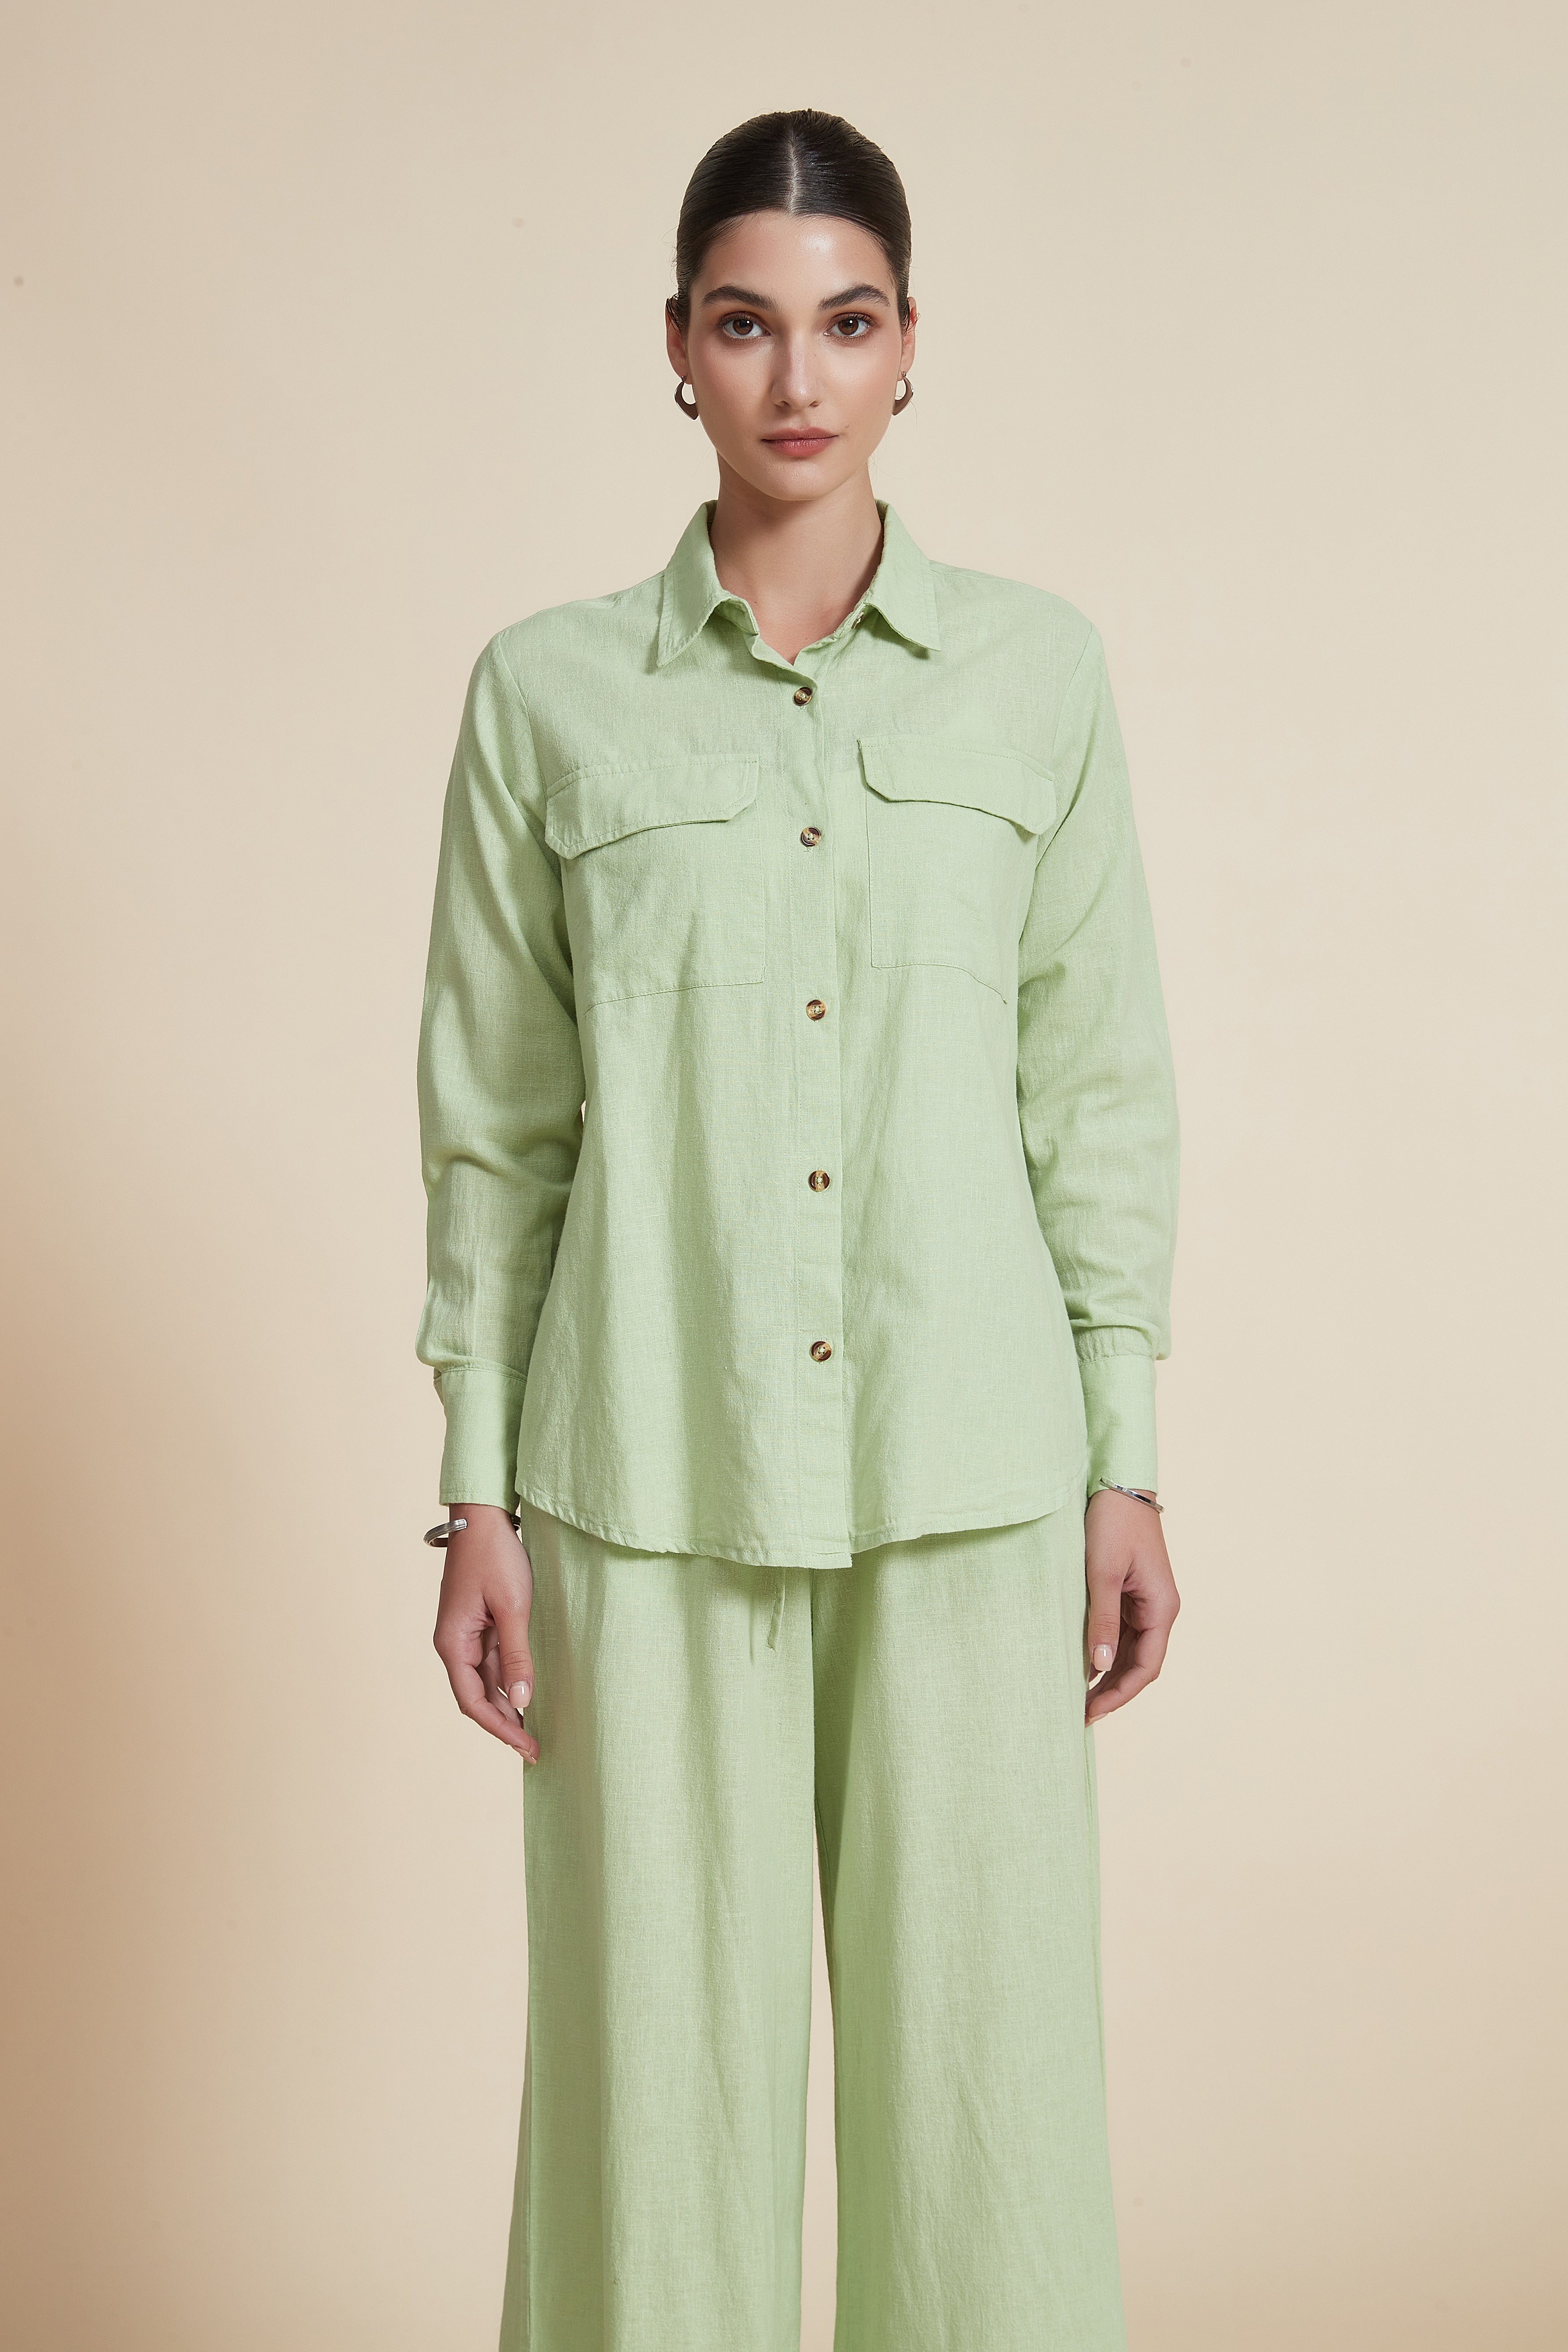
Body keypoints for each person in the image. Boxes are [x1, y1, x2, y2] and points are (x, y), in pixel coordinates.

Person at [415, 105, 1180, 2352]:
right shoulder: (545, 694)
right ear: (676, 345)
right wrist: (478, 1490)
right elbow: (498, 1131)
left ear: (911, 343)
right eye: (746, 324)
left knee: (985, 2122)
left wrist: (1123, 1453)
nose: (798, 377)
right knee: (651, 2118)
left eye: (845, 323)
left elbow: (1095, 1090)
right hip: (645, 1477)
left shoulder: (1039, 678)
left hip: (971, 1471)